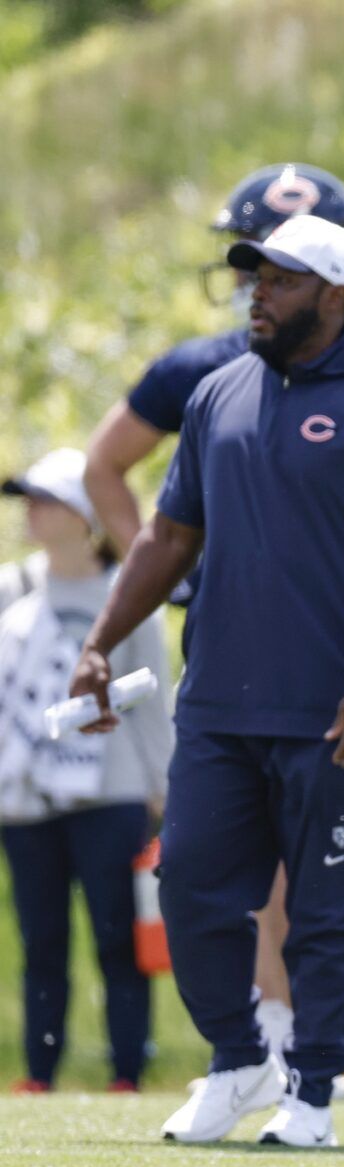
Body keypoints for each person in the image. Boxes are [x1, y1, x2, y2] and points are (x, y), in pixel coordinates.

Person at [82, 162, 344, 1101]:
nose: (254, 286)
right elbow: (113, 482)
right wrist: (192, 580)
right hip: (255, 648)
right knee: (292, 846)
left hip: (340, 648)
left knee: (326, 843)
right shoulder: (217, 371)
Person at [0, 449, 171, 1093]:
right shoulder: (12, 590)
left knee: (117, 940)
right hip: (25, 801)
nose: (31, 513)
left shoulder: (130, 594)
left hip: (113, 797)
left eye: (45, 500)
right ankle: (39, 1074)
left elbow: (152, 705)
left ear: (83, 515)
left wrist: (165, 791)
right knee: (41, 942)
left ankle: (127, 1073)